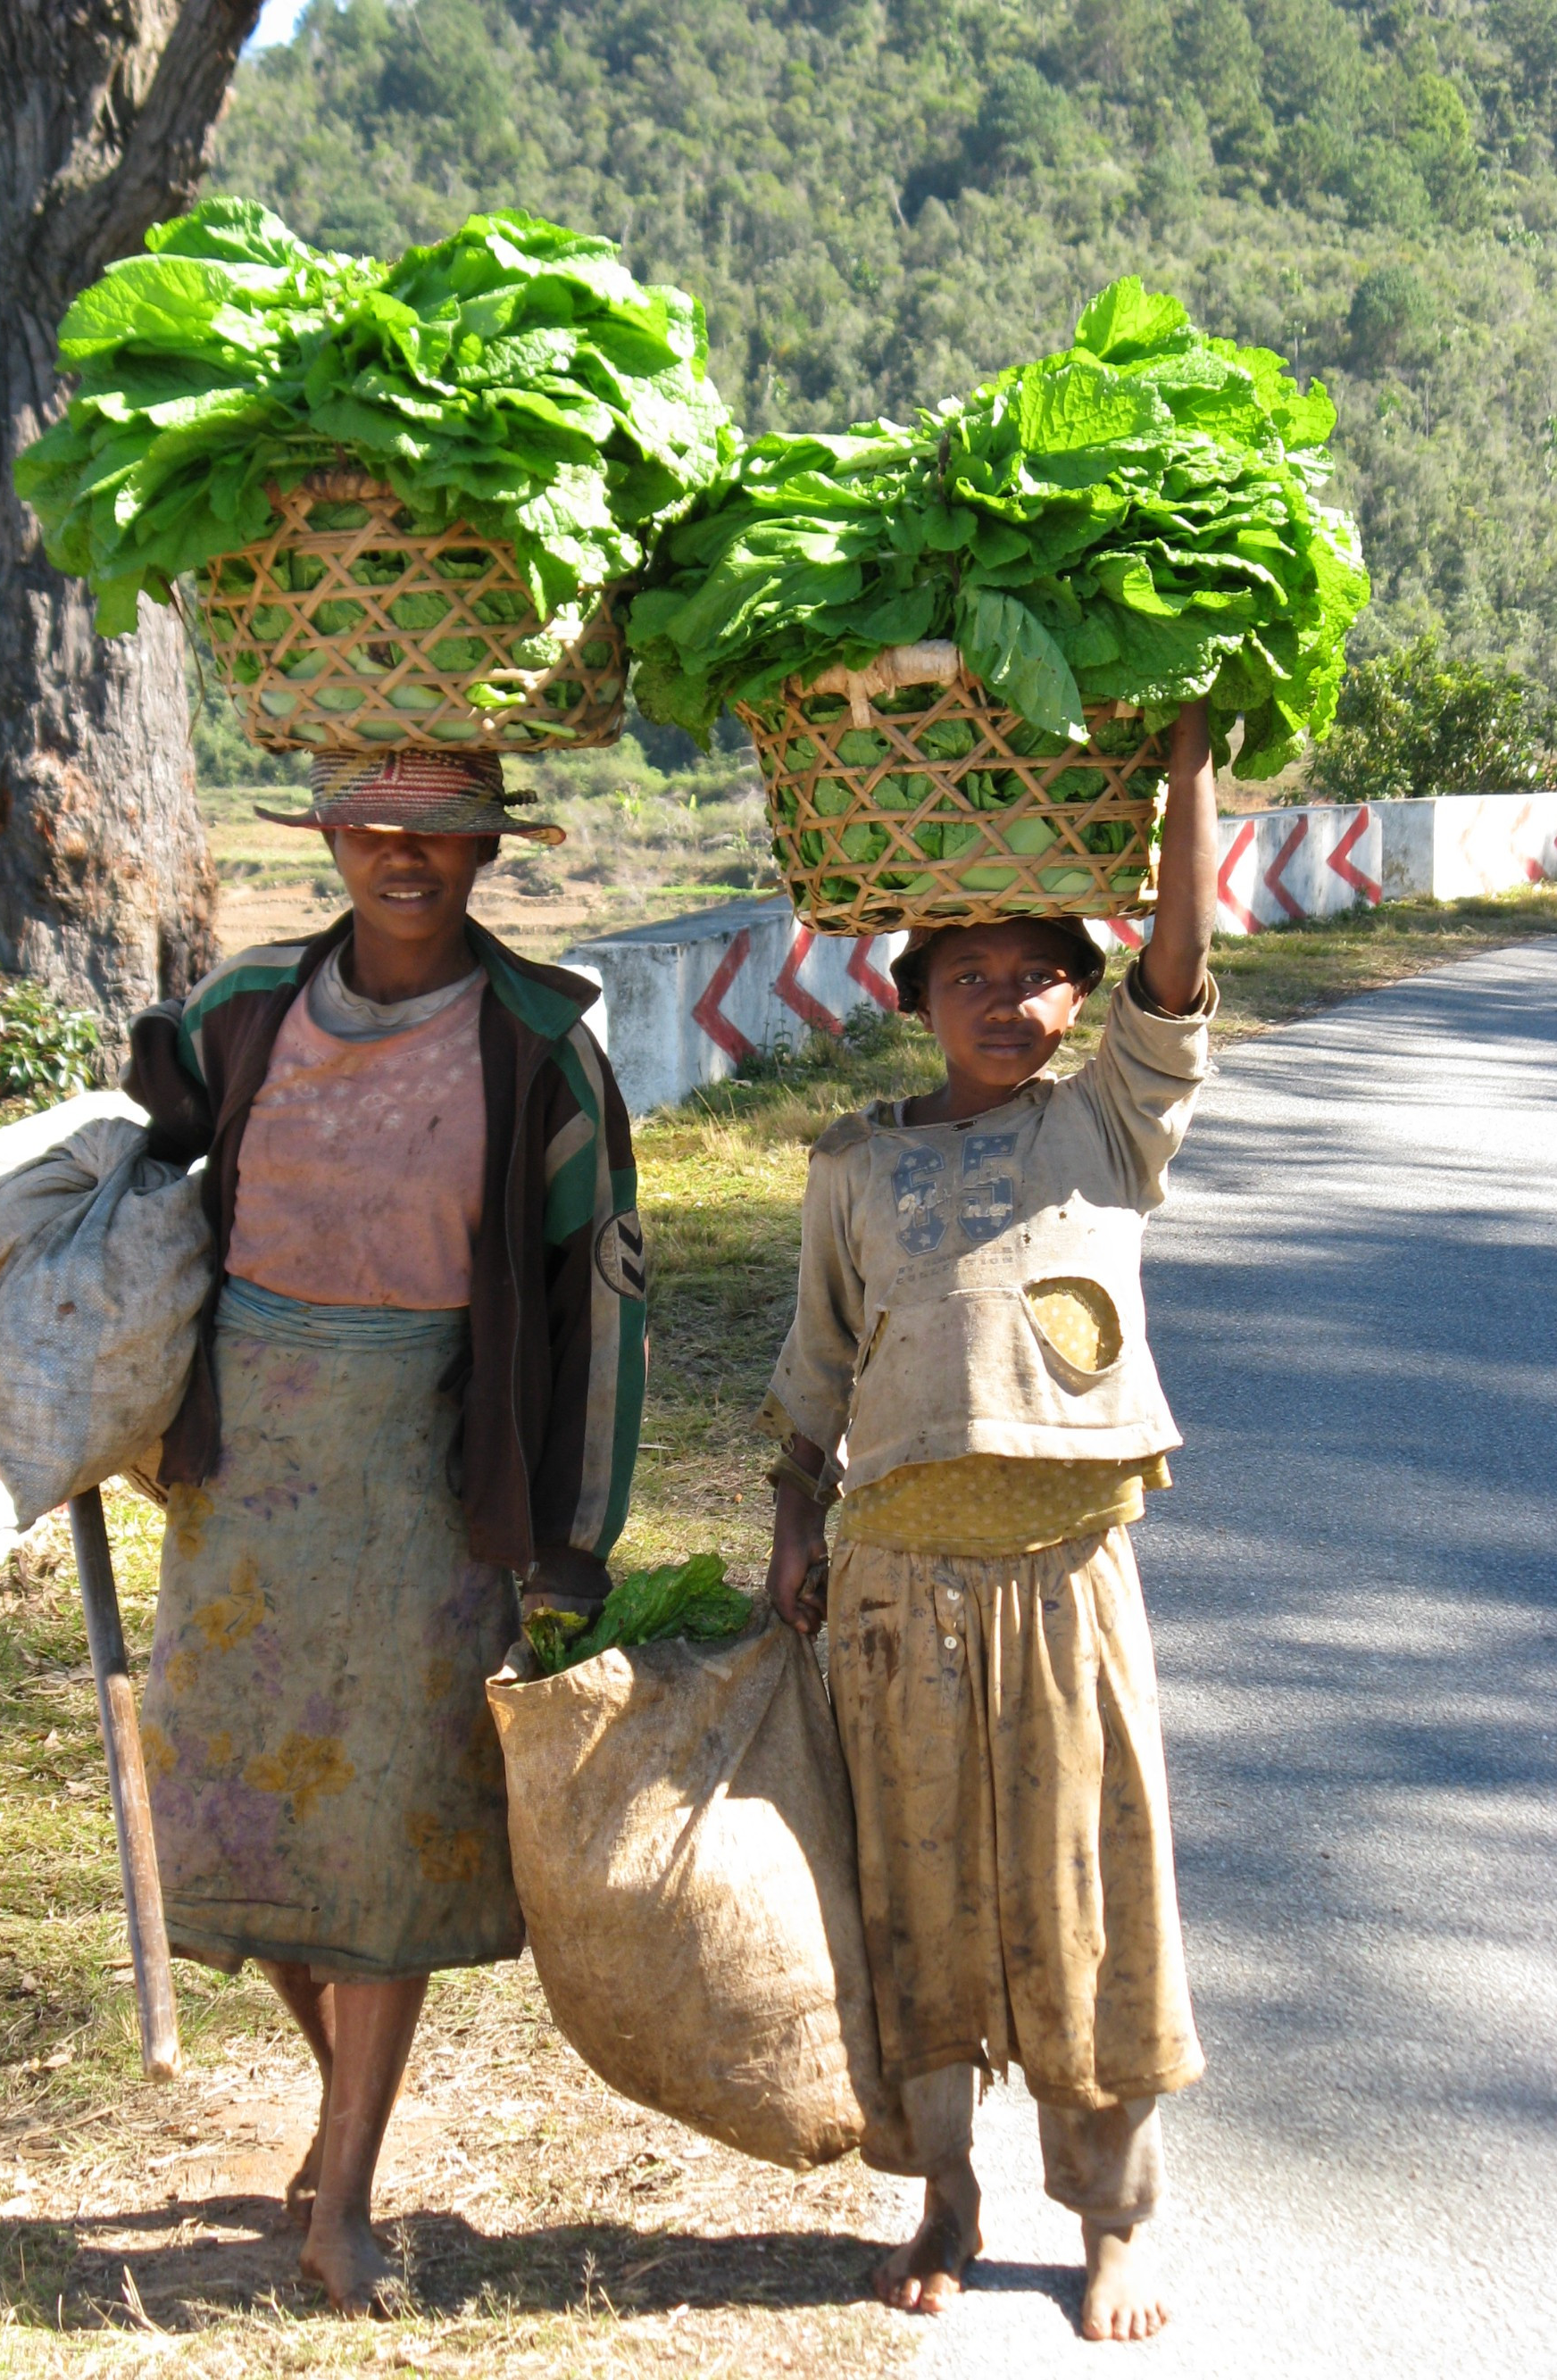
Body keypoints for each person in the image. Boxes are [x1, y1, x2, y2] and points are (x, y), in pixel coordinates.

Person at [122, 749, 645, 2315]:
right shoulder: (244, 1012)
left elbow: (598, 1306)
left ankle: (341, 2193)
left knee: (390, 1831)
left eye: (441, 829)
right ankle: (340, 2105)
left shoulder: (539, 1047)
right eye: (374, 825)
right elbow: (140, 1183)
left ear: (489, 845)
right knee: (245, 1817)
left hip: (433, 1478)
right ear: (333, 837)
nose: (406, 855)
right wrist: (86, 1351)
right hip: (242, 1485)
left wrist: (568, 1541)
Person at [761, 703, 1219, 2340]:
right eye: (970, 976)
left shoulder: (1107, 1124)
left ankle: (1111, 2215)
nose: (1005, 1002)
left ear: (1076, 999)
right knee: (919, 1895)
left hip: (1065, 1574)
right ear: (916, 1002)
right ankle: (943, 2189)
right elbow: (816, 1370)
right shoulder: (850, 1168)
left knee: (1088, 1892)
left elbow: (1177, 980)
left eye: (1037, 974)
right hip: (895, 1587)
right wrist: (793, 1527)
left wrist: (1178, 786)